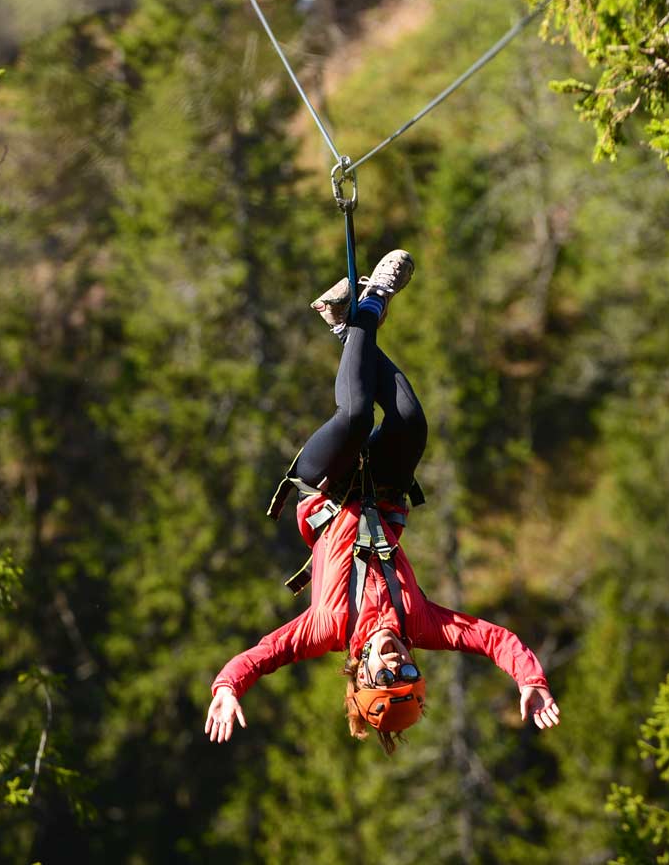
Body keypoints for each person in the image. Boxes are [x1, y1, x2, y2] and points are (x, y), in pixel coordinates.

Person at [204, 250, 562, 754]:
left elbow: (263, 655)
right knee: (410, 422)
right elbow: (490, 638)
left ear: (361, 674)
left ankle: (366, 309)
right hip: (383, 490)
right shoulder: (418, 622)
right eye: (409, 673)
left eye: (387, 675)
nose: (399, 663)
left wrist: (226, 687)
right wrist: (530, 678)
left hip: (324, 488)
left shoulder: (324, 629)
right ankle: (352, 324)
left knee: (353, 416)